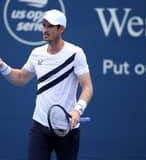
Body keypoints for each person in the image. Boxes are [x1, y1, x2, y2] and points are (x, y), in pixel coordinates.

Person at [0, 9, 93, 160]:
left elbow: (87, 87)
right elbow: (21, 78)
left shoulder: (76, 53)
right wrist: (2, 66)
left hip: (66, 129)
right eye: (43, 25)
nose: (45, 30)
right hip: (39, 126)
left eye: (49, 26)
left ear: (61, 29)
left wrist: (78, 110)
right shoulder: (37, 53)